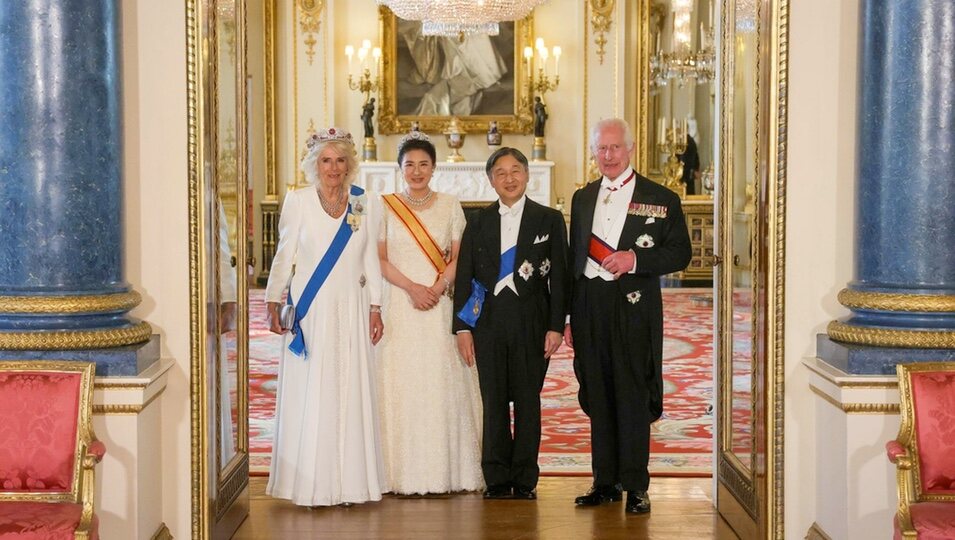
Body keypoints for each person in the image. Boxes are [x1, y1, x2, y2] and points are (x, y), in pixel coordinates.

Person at [564, 118, 691, 514]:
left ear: (631, 149)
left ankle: (636, 485)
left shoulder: (661, 197)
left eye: (616, 148)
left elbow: (680, 253)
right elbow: (573, 261)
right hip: (589, 307)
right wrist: (569, 315)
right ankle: (605, 482)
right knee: (598, 393)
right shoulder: (582, 198)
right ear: (593, 152)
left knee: (633, 394)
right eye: (601, 149)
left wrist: (635, 259)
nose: (608, 156)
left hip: (634, 307)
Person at [264, 127, 385, 507]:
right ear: (314, 164)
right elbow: (285, 254)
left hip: (351, 303)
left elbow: (370, 258)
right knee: (312, 387)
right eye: (326, 160)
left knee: (348, 385)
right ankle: (310, 485)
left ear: (350, 164)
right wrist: (272, 299)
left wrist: (376, 305)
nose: (333, 168)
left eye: (340, 160)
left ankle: (350, 484)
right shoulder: (298, 200)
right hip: (311, 308)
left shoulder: (364, 202)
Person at [453, 147, 569, 500]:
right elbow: (465, 276)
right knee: (494, 400)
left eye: (515, 170)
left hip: (532, 323)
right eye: (500, 172)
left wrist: (555, 326)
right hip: (487, 323)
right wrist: (462, 328)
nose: (509, 178)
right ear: (490, 180)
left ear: (527, 174)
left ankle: (525, 478)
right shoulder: (477, 222)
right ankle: (497, 477)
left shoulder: (548, 219)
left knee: (527, 401)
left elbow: (561, 278)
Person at [375, 131, 484, 495]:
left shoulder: (450, 205)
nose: (417, 171)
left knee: (439, 378)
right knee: (400, 379)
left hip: (439, 305)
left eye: (424, 164)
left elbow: (458, 256)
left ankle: (446, 470)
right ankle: (395, 471)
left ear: (434, 168)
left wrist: (436, 289)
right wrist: (412, 288)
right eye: (410, 165)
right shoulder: (385, 206)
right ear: (400, 169)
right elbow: (380, 258)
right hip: (401, 302)